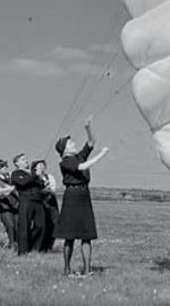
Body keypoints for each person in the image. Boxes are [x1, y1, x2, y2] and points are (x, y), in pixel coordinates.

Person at [54, 116, 109, 277]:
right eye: (70, 143)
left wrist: (88, 127)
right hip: (72, 196)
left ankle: (87, 270)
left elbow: (92, 141)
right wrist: (101, 155)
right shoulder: (66, 161)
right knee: (69, 235)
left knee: (87, 235)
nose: (73, 143)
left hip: (84, 195)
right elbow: (82, 167)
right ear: (64, 149)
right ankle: (66, 269)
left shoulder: (78, 155)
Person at [11, 153, 46, 255]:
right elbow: (22, 182)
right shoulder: (16, 173)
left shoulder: (32, 174)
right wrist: (34, 175)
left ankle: (35, 248)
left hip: (38, 201)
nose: (26, 161)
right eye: (22, 160)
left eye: (26, 159)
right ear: (17, 163)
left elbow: (41, 185)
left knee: (41, 225)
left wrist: (40, 177)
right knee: (24, 226)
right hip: (25, 201)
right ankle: (23, 251)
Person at [31, 159, 59, 252]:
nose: (42, 167)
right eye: (39, 165)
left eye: (43, 165)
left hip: (51, 203)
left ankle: (49, 246)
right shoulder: (32, 178)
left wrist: (47, 189)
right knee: (42, 225)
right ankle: (39, 246)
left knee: (54, 224)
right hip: (40, 204)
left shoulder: (49, 176)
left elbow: (53, 190)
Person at [0, 160, 19, 249]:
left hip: (16, 206)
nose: (4, 169)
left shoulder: (11, 176)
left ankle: (16, 244)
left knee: (17, 226)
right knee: (10, 226)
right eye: (2, 167)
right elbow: (2, 192)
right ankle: (12, 244)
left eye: (5, 167)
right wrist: (12, 189)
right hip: (5, 207)